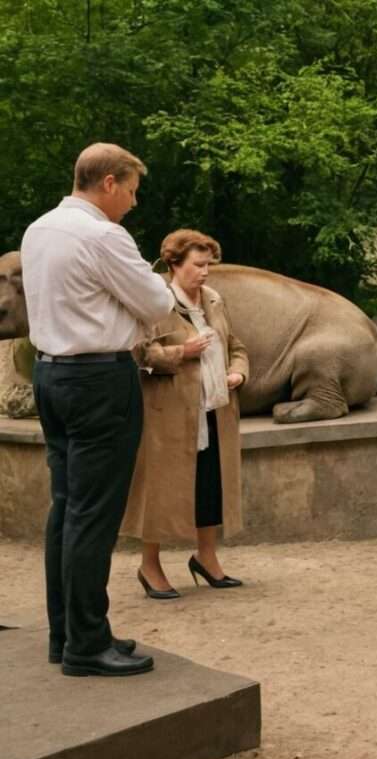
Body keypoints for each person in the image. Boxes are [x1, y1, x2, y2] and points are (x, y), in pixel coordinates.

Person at [22, 143, 175, 676]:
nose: (133, 202)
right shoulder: (103, 234)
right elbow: (159, 302)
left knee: (66, 508)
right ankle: (87, 646)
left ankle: (67, 633)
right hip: (98, 381)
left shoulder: (38, 229)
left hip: (50, 374)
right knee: (94, 516)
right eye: (131, 190)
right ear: (108, 182)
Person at [121, 229, 249, 598]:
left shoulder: (214, 300)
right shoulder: (157, 303)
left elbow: (237, 345)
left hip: (214, 407)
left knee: (210, 484)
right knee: (159, 491)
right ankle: (150, 566)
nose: (205, 271)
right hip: (169, 415)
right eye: (198, 264)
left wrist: (238, 371)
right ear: (175, 263)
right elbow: (139, 353)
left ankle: (206, 558)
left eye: (208, 264)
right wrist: (183, 352)